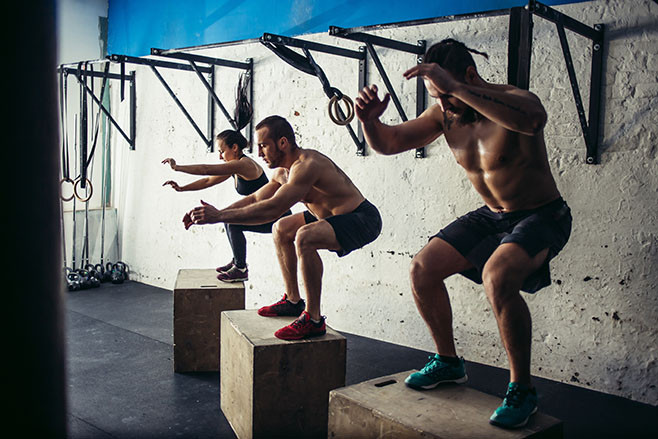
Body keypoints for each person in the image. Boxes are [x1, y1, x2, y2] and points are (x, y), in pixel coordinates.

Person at [355, 38, 571, 429]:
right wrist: (369, 121)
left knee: (497, 276)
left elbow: (533, 121)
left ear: (469, 76)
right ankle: (448, 362)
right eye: (436, 96)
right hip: (493, 215)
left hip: (543, 215)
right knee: (423, 268)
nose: (442, 104)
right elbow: (390, 143)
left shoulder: (514, 100)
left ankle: (522, 389)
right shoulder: (445, 114)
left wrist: (455, 89)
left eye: (445, 93)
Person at [186, 115, 382, 340]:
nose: (259, 153)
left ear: (282, 143)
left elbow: (273, 208)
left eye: (263, 146)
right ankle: (292, 301)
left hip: (362, 219)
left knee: (305, 236)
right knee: (281, 228)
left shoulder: (307, 165)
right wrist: (216, 213)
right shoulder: (281, 173)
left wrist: (219, 216)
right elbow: (255, 200)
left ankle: (313, 319)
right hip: (328, 217)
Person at [163, 75, 290, 282]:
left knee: (231, 221)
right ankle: (237, 262)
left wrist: (178, 168)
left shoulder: (244, 164)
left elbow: (205, 169)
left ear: (234, 148)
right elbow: (207, 181)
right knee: (229, 219)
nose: (220, 156)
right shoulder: (235, 168)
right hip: (263, 211)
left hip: (277, 214)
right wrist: (182, 188)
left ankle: (240, 268)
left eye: (222, 151)